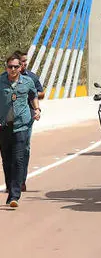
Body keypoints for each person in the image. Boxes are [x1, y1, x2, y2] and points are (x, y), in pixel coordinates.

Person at [0, 53, 40, 207]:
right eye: (10, 67)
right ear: (6, 67)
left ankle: (14, 196)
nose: (13, 69)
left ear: (21, 67)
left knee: (18, 159)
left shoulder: (28, 81)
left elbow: (33, 95)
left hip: (21, 125)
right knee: (7, 160)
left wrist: (37, 109)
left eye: (16, 66)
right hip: (3, 126)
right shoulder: (1, 81)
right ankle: (11, 187)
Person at [13, 50, 44, 192]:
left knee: (24, 148)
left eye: (26, 61)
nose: (25, 64)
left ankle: (20, 181)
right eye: (22, 62)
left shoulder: (31, 77)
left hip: (27, 117)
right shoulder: (6, 78)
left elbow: (41, 93)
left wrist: (27, 92)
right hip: (9, 117)